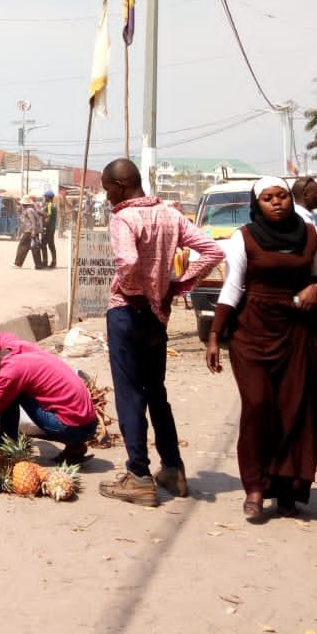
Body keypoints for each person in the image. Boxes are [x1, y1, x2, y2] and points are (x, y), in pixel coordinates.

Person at [98, 158, 225, 507]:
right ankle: (172, 468)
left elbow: (127, 262)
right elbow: (213, 251)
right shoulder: (170, 215)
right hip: (158, 316)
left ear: (120, 185)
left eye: (107, 188)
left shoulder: (124, 218)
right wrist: (177, 286)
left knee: (129, 395)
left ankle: (138, 475)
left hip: (127, 313)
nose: (106, 196)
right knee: (156, 392)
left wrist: (134, 291)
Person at [205, 177, 317, 522]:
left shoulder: (312, 236)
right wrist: (215, 335)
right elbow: (233, 287)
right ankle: (255, 487)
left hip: (297, 333)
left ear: (291, 199)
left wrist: (315, 289)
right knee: (258, 406)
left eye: (282, 196)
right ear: (256, 204)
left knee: (294, 411)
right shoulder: (243, 238)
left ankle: (286, 489)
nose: (277, 202)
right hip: (251, 333)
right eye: (268, 198)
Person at [0, 332, 98, 464]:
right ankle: (75, 447)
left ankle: (5, 452)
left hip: (73, 429)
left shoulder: (11, 372)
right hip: (90, 423)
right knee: (20, 390)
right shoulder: (16, 346)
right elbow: (1, 336)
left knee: (12, 394)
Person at [12, 196, 44, 269]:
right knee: (35, 247)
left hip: (30, 231)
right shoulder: (31, 209)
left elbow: (33, 221)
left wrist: (33, 231)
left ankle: (18, 263)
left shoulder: (29, 210)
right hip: (32, 230)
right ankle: (38, 265)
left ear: (24, 204)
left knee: (22, 246)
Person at [40, 190, 58, 268]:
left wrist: (43, 226)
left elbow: (48, 217)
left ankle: (45, 262)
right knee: (51, 245)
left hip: (49, 228)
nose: (44, 198)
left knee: (43, 244)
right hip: (52, 228)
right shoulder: (53, 205)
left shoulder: (50, 205)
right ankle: (54, 262)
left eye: (45, 197)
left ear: (48, 197)